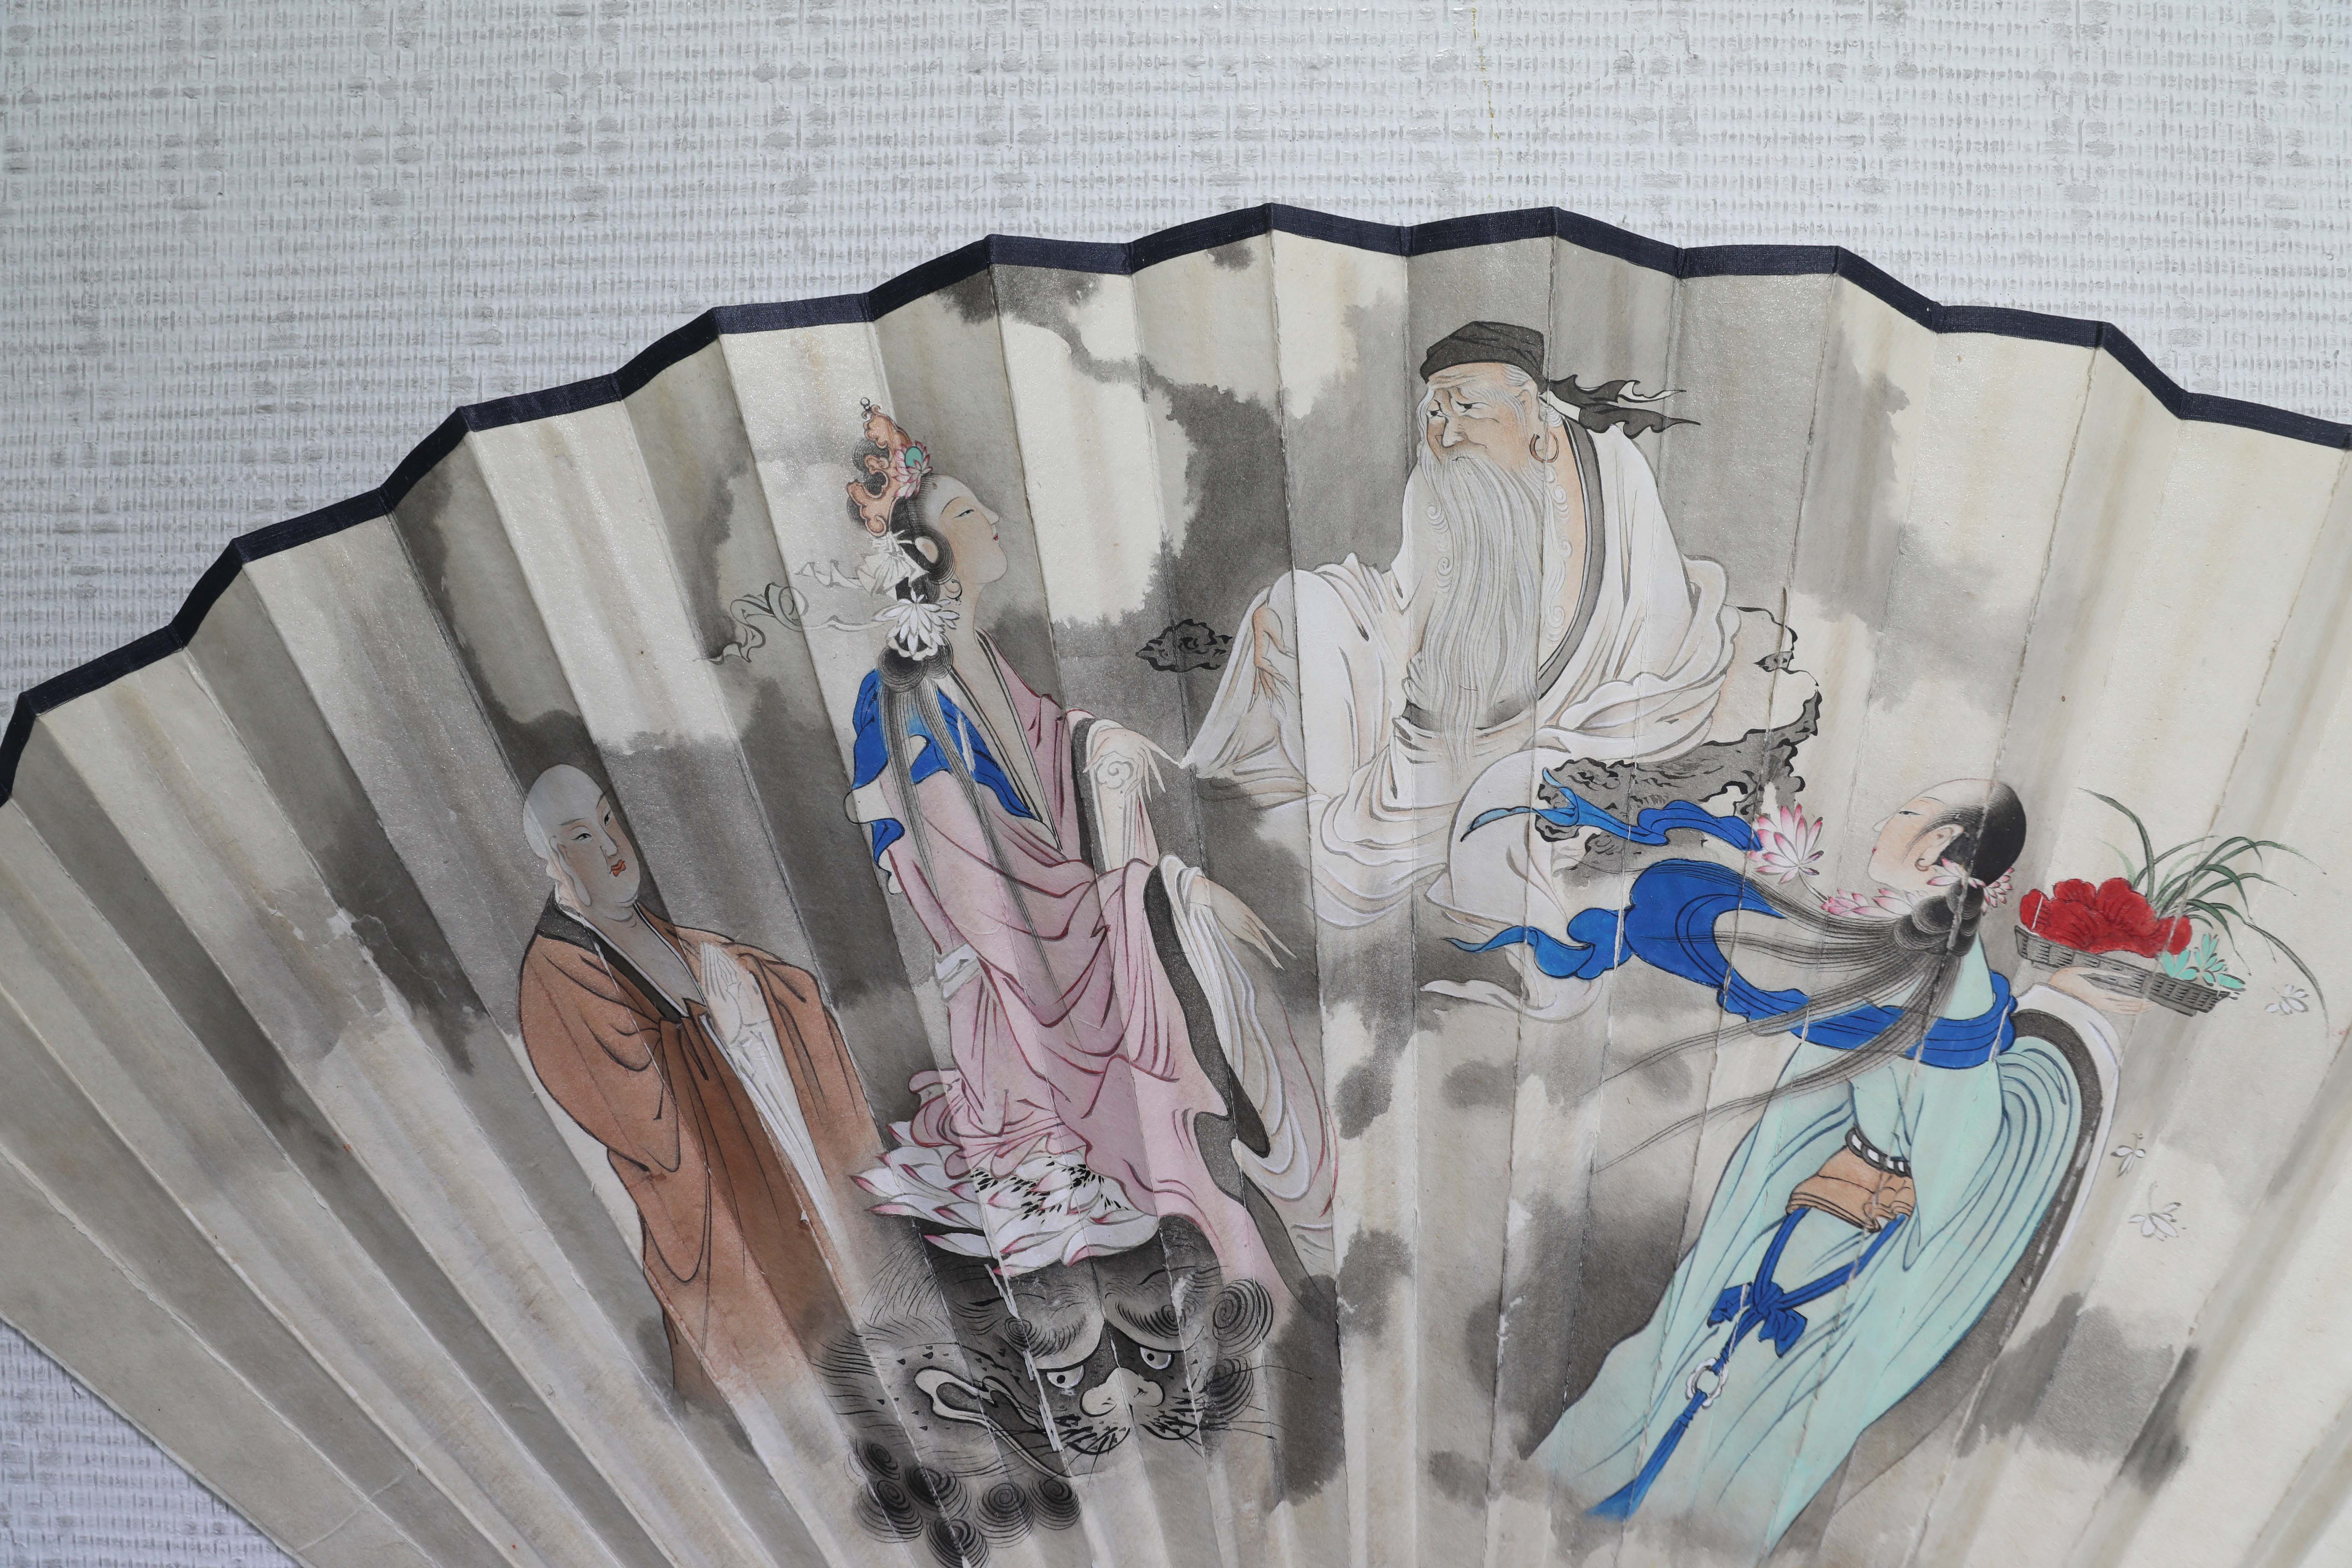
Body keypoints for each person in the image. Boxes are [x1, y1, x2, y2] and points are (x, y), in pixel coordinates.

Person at [1489, 778, 2137, 1549]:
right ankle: (1560, 1517)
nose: (1887, 821)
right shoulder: (1901, 944)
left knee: (1734, 1403)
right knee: (1672, 1368)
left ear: (1938, 850)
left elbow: (1952, 1158)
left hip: (1850, 1247)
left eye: (1908, 812)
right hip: (1816, 1213)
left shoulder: (1949, 983)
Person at [835, 407, 1336, 1307]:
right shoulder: (905, 699)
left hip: (1077, 938)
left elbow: (1046, 746)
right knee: (1194, 949)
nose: (993, 518)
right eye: (966, 513)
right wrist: (1153, 896)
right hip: (1029, 990)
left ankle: (1291, 1213)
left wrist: (1099, 740)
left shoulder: (981, 656)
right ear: (930, 554)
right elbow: (974, 886)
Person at [1185, 320, 1811, 934]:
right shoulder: (1438, 479)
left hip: (1569, 707)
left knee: (1374, 859)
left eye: (1468, 408)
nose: (1448, 432)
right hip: (1445, 713)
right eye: (1436, 413)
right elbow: (1411, 601)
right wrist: (1321, 617)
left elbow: (1656, 621)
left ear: (1531, 411)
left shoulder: (1613, 471)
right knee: (1302, 604)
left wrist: (1578, 719)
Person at [516, 764, 882, 1408]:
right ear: (552, 860)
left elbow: (771, 986)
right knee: (792, 1389)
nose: (612, 847)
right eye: (582, 837)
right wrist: (719, 1036)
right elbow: (647, 1128)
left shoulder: (661, 934)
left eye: (609, 820)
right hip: (718, 1225)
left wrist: (761, 1000)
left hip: (791, 1181)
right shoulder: (558, 975)